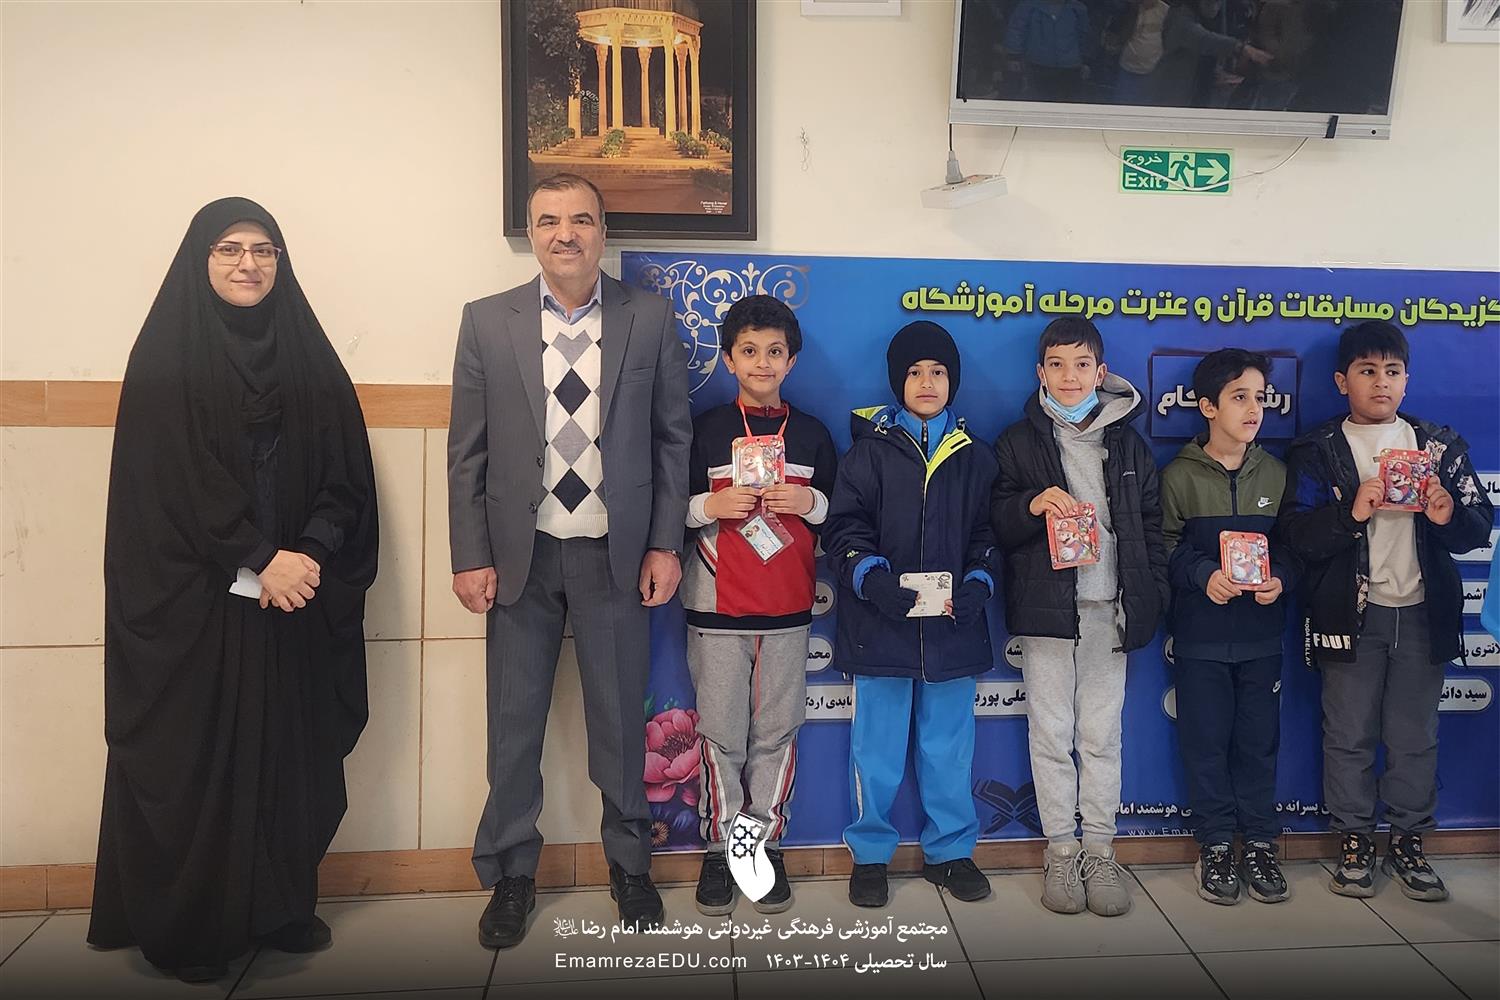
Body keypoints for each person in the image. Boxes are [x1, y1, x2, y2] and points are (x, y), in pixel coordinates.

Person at [87, 197, 379, 982]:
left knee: (289, 754)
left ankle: (279, 907)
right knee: (198, 760)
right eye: (229, 249)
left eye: (264, 249)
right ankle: (194, 926)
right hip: (198, 606)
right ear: (200, 260)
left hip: (293, 603)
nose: (249, 263)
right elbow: (174, 482)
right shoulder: (164, 359)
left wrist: (307, 553)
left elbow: (344, 472)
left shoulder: (308, 357)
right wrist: (258, 558)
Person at [448, 173, 691, 948]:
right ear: (531, 232)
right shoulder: (487, 321)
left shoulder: (648, 317)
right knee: (513, 725)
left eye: (581, 219)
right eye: (549, 220)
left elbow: (673, 440)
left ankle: (630, 866)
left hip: (614, 556)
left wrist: (665, 543)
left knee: (620, 723)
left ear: (602, 232)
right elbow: (467, 452)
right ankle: (512, 874)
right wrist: (469, 554)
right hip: (518, 557)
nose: (566, 233)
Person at [1278, 321, 1492, 901]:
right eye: (1367, 371)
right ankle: (1353, 840)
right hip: (1350, 615)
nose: (1381, 382)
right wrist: (1351, 513)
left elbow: (1478, 526)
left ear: (1407, 380)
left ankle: (1408, 840)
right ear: (1341, 381)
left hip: (1423, 612)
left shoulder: (1438, 446)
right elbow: (1295, 534)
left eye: (1392, 372)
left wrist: (1447, 517)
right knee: (1347, 733)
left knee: (1414, 736)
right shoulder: (1319, 451)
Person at [990, 316, 1168, 918]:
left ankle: (1099, 849)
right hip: (1048, 613)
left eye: (1082, 364)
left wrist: (1148, 595)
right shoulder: (1018, 441)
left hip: (1109, 609)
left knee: (1100, 736)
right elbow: (996, 522)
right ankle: (1061, 851)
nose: (1070, 376)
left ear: (1101, 371)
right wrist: (1030, 504)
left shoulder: (1129, 443)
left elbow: (1150, 526)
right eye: (1058, 365)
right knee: (1050, 734)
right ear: (1040, 373)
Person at [823, 321, 999, 910]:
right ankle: (871, 855)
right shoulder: (867, 452)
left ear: (953, 381)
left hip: (952, 631)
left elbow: (987, 535)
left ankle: (950, 852)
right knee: (875, 750)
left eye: (938, 372)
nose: (927, 382)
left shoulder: (976, 457)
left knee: (948, 749)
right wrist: (871, 578)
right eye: (916, 372)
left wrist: (978, 581)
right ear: (898, 381)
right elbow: (843, 529)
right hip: (881, 627)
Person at [680, 295, 837, 916]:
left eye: (775, 352)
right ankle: (721, 850)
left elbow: (844, 517)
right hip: (715, 610)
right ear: (728, 359)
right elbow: (667, 506)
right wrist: (708, 507)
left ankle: (760, 848)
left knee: (776, 732)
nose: (762, 362)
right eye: (749, 351)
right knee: (720, 733)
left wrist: (811, 504)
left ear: (791, 361)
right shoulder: (704, 430)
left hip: (789, 611)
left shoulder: (815, 434)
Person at [1160, 350, 1294, 906]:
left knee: (1258, 745)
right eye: (1239, 397)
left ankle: (1259, 842)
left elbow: (1293, 547)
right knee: (1206, 744)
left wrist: (1280, 577)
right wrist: (1202, 575)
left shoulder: (1278, 474)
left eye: (1260, 398)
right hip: (1201, 641)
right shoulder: (1178, 476)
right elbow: (1164, 546)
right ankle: (1215, 844)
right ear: (1208, 406)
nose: (1253, 408)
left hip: (1262, 639)